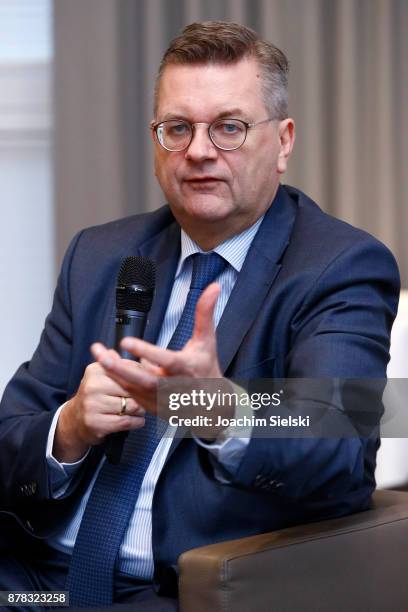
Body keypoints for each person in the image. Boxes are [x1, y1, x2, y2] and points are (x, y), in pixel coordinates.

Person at [0, 20, 400, 610]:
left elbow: (338, 450)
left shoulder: (341, 266)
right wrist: (70, 429)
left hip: (164, 591)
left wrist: (217, 407)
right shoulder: (102, 255)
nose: (199, 151)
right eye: (177, 128)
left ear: (284, 141)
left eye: (230, 128)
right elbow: (11, 434)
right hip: (33, 584)